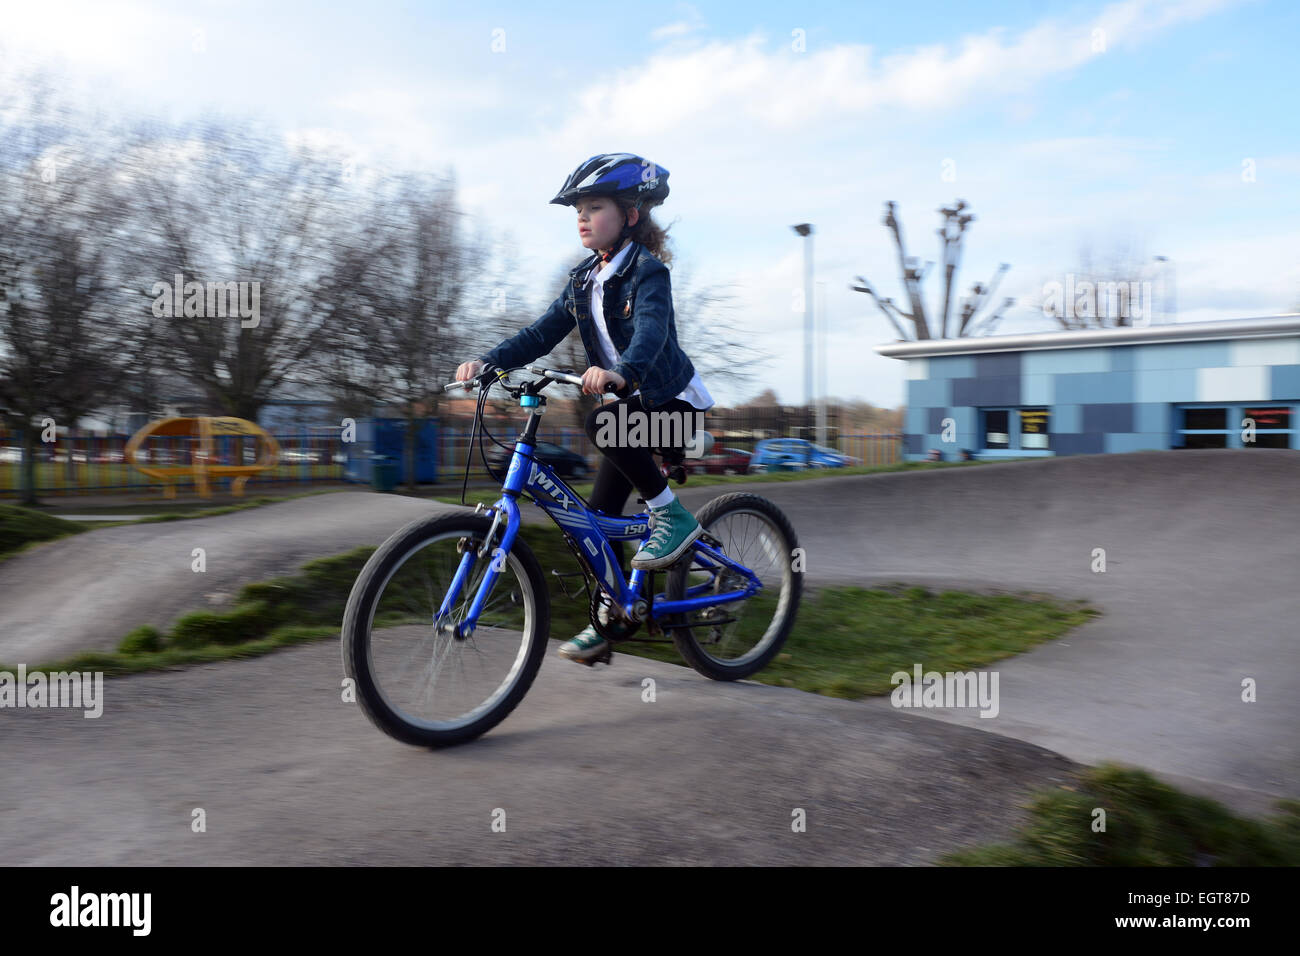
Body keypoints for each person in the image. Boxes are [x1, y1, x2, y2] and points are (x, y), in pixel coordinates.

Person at [455, 153, 714, 665]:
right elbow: (541, 334)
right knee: (596, 521)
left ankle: (673, 519)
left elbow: (650, 330)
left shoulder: (648, 272)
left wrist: (623, 373)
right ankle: (611, 617)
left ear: (631, 215)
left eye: (594, 207)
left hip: (673, 411)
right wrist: (489, 361)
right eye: (578, 209)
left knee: (602, 420)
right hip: (628, 418)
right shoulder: (582, 281)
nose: (582, 217)